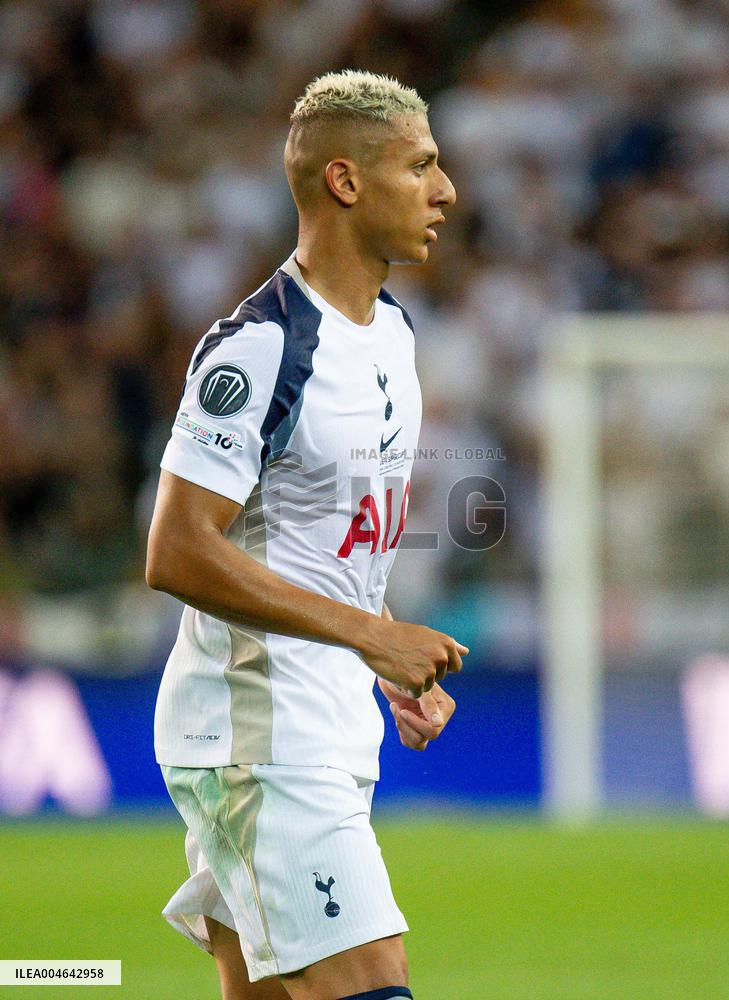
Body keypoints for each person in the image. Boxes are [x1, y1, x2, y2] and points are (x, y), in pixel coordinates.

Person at [146, 69, 464, 1000]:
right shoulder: (261, 347)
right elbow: (176, 549)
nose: (445, 190)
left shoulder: (393, 335)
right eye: (421, 166)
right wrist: (369, 635)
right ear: (345, 181)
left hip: (325, 726)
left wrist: (380, 652)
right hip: (261, 736)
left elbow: (321, 542)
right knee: (375, 985)